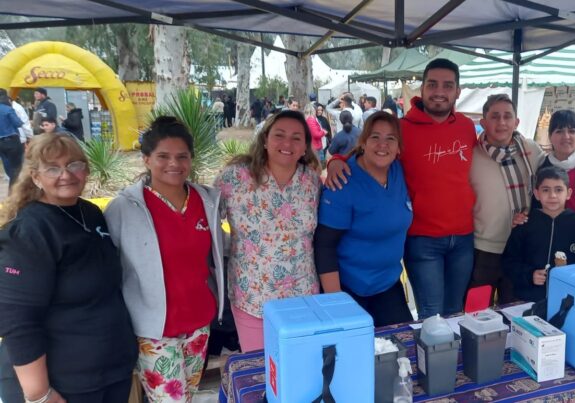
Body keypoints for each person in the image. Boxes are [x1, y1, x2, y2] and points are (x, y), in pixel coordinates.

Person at [326, 59, 477, 318]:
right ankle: (431, 359)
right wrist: (336, 161)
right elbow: (372, 152)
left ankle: (450, 360)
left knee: (456, 312)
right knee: (431, 316)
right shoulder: (403, 128)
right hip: (422, 239)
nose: (439, 91)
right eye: (432, 84)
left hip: (464, 237)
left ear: (457, 92)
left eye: (447, 85)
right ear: (422, 88)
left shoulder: (467, 127)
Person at [0, 133, 137, 403]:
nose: (66, 174)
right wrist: (39, 394)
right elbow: (18, 320)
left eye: (74, 165)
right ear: (36, 177)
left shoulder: (89, 212)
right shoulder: (29, 231)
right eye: (53, 168)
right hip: (64, 384)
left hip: (110, 371)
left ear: (85, 170)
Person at [104, 117, 225, 402]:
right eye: (163, 156)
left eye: (182, 156)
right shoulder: (124, 208)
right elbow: (109, 268)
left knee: (188, 395)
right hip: (154, 330)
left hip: (198, 322)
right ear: (146, 159)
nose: (174, 163)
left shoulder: (206, 201)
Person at [214, 110, 321, 352]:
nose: (287, 143)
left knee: (300, 368)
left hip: (302, 296)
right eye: (279, 135)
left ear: (305, 146)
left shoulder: (312, 182)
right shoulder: (234, 177)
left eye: (296, 137)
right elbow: (205, 223)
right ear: (264, 139)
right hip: (252, 297)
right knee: (260, 372)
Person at [314, 111, 413, 326]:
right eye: (375, 137)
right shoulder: (342, 181)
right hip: (349, 287)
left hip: (388, 284)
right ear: (363, 142)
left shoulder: (400, 172)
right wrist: (335, 302)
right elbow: (325, 245)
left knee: (402, 346)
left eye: (391, 139)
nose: (382, 145)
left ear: (398, 148)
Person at [469, 93, 544, 304]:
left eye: (507, 116)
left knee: (514, 311)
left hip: (522, 248)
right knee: (477, 310)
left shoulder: (532, 151)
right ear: (483, 122)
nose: (501, 122)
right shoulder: (472, 155)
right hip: (484, 250)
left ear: (516, 121)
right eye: (494, 116)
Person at [501, 167, 575, 303]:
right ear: (536, 193)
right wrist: (530, 275)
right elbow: (509, 262)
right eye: (546, 190)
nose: (552, 195)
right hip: (528, 299)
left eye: (558, 190)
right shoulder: (525, 224)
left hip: (566, 301)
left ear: (568, 193)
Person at [533, 109, 575, 216]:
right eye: (559, 131)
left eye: (571, 131)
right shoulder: (541, 167)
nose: (566, 137)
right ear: (550, 136)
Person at [0, 92, 24, 190]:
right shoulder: (8, 109)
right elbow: (18, 123)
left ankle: (13, 188)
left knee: (7, 167)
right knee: (17, 167)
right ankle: (14, 191)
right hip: (11, 140)